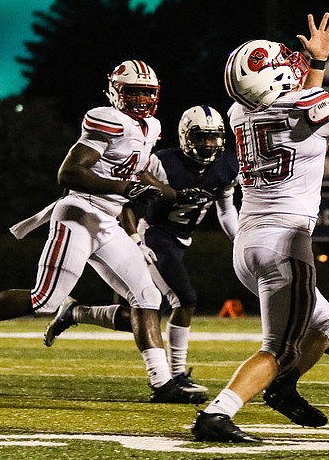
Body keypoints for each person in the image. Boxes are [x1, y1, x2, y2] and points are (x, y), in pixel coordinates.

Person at [190, 12, 329, 443]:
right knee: (280, 347)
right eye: (283, 63)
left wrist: (317, 60)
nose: (293, 64)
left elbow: (299, 111)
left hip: (248, 242)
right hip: (285, 243)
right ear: (271, 78)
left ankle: (282, 387)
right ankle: (218, 413)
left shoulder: (237, 112)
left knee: (324, 328)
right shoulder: (305, 107)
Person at [0, 60, 183, 402]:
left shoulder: (150, 127)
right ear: (114, 92)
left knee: (148, 296)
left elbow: (141, 175)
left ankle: (162, 383)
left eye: (146, 92)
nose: (140, 100)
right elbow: (69, 173)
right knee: (45, 299)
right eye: (132, 91)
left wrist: (177, 196)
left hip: (107, 220)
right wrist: (124, 189)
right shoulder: (107, 119)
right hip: (79, 212)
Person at [43, 104, 239, 404]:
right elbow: (129, 201)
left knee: (147, 313)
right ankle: (174, 376)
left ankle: (76, 312)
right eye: (202, 137)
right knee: (183, 299)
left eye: (214, 138)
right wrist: (136, 239)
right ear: (187, 136)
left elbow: (226, 209)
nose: (209, 145)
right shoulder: (162, 162)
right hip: (156, 235)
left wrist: (238, 240)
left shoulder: (226, 166)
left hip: (181, 239)